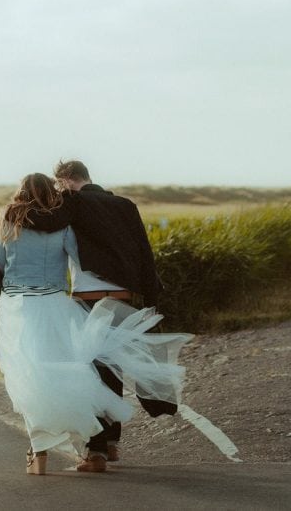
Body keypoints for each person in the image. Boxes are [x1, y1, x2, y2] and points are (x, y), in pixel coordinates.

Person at [0, 173, 190, 475]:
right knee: (82, 370)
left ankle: (46, 452)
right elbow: (80, 255)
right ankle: (98, 446)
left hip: (18, 306)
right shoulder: (73, 222)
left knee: (30, 375)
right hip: (57, 302)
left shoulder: (9, 222)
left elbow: (0, 261)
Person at [53, 159, 172, 471]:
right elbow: (145, 253)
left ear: (65, 182)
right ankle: (111, 444)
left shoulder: (71, 204)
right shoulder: (124, 205)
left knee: (91, 374)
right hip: (124, 299)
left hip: (87, 300)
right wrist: (152, 299)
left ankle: (95, 452)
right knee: (113, 370)